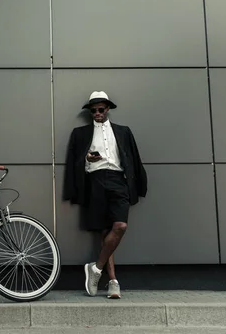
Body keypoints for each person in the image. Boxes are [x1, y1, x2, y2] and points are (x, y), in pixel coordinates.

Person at [63, 91, 147, 299]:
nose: (97, 113)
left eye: (100, 109)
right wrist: (87, 160)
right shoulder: (80, 133)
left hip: (119, 180)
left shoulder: (123, 131)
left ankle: (96, 268)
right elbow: (74, 161)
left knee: (120, 226)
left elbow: (134, 157)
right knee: (103, 231)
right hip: (95, 180)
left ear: (108, 109)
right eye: (93, 110)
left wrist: (139, 185)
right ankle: (113, 282)